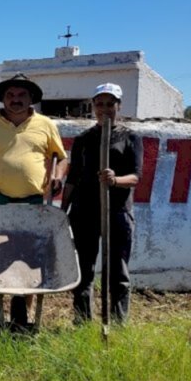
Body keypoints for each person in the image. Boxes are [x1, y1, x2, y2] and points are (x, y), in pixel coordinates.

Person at [0, 73, 67, 326]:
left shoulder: (45, 125)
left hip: (33, 201)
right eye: (10, 95)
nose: (15, 99)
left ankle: (24, 311)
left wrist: (57, 175)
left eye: (21, 95)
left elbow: (60, 157)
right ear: (3, 98)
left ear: (31, 98)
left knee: (30, 257)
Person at [61, 83, 141, 323]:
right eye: (99, 104)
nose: (104, 108)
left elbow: (136, 177)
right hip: (84, 212)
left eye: (110, 104)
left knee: (118, 271)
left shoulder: (130, 137)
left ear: (119, 106)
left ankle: (118, 322)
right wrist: (62, 211)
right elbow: (73, 178)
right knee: (84, 271)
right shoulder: (84, 139)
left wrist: (115, 180)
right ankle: (82, 321)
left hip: (117, 212)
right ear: (93, 106)